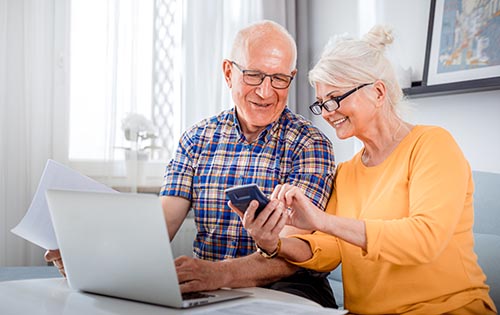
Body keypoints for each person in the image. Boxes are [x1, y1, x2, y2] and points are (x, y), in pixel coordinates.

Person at [46, 20, 338, 308]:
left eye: (279, 79)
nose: (265, 91)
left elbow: (293, 255)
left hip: (288, 290)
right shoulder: (197, 139)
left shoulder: (310, 145)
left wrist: (217, 273)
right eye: (253, 75)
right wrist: (91, 260)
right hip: (214, 290)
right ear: (228, 72)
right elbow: (160, 228)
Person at [233, 25, 497, 314]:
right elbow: (328, 250)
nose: (329, 112)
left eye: (334, 98)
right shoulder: (346, 173)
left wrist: (322, 220)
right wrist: (275, 243)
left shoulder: (432, 145)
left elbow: (425, 238)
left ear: (379, 92)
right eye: (321, 104)